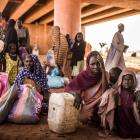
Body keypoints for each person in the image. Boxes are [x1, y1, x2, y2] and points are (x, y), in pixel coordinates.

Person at [66, 51, 108, 124]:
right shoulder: (82, 76)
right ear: (88, 65)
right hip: (86, 104)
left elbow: (104, 89)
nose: (96, 67)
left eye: (98, 63)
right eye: (92, 64)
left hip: (100, 104)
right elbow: (68, 88)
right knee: (83, 118)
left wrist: (103, 69)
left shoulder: (104, 74)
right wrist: (76, 94)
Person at [115, 70, 140, 138]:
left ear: (133, 81)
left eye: (130, 79)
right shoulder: (118, 93)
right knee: (124, 134)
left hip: (131, 118)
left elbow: (135, 110)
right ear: (121, 81)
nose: (127, 81)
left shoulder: (134, 94)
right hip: (121, 121)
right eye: (125, 79)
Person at [98, 67, 122, 137]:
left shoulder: (118, 87)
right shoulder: (109, 84)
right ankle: (106, 126)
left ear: (119, 76)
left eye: (113, 74)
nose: (110, 76)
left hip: (112, 106)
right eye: (110, 73)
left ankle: (109, 128)